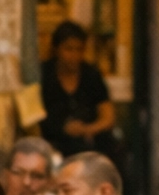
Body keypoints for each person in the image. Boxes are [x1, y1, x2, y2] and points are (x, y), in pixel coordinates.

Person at [39, 20, 116, 160]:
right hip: (54, 146)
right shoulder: (43, 75)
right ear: (56, 49)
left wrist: (86, 129)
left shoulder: (91, 75)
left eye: (79, 49)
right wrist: (63, 128)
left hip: (90, 147)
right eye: (68, 49)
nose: (74, 55)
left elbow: (108, 116)